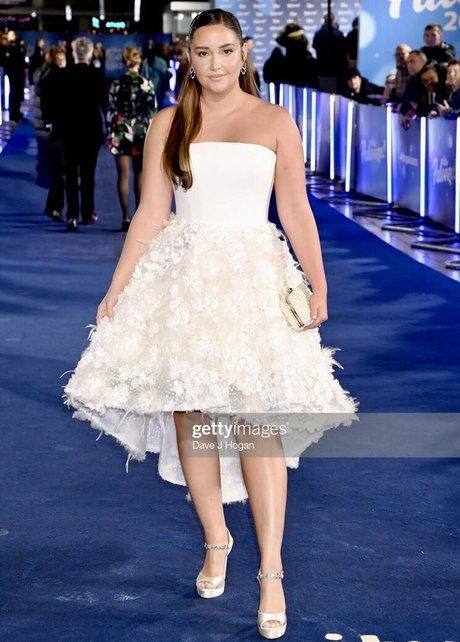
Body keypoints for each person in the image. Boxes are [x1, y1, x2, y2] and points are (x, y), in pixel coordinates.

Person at [63, 9, 357, 639]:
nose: (216, 63)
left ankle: (272, 571)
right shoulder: (169, 122)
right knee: (192, 416)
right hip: (185, 280)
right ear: (189, 59)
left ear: (244, 52)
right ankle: (216, 538)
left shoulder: (275, 121)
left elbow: (295, 208)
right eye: (203, 53)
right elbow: (151, 212)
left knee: (256, 421)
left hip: (253, 279)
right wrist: (117, 288)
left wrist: (318, 281)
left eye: (226, 51)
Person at [50, 37, 107, 232]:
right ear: (90, 54)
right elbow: (104, 103)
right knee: (88, 173)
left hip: (68, 130)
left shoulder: (63, 74)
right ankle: (88, 213)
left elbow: (56, 105)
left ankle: (72, 216)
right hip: (91, 130)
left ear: (73, 53)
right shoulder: (97, 75)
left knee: (71, 173)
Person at [107, 46, 157, 231]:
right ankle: (138, 218)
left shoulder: (116, 83)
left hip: (121, 131)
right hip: (141, 132)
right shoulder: (147, 83)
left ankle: (125, 217)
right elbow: (152, 113)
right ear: (139, 61)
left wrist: (110, 133)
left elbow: (110, 111)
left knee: (123, 176)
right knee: (140, 175)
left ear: (124, 62)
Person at [34, 46, 67, 222]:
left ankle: (53, 205)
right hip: (55, 128)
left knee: (55, 168)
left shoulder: (43, 74)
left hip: (44, 127)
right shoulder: (57, 78)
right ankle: (54, 206)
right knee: (59, 170)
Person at [141, 42, 170, 109]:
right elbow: (165, 75)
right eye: (165, 49)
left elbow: (142, 74)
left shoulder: (145, 61)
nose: (167, 51)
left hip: (147, 88)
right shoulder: (161, 62)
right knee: (158, 107)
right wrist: (169, 75)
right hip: (158, 89)